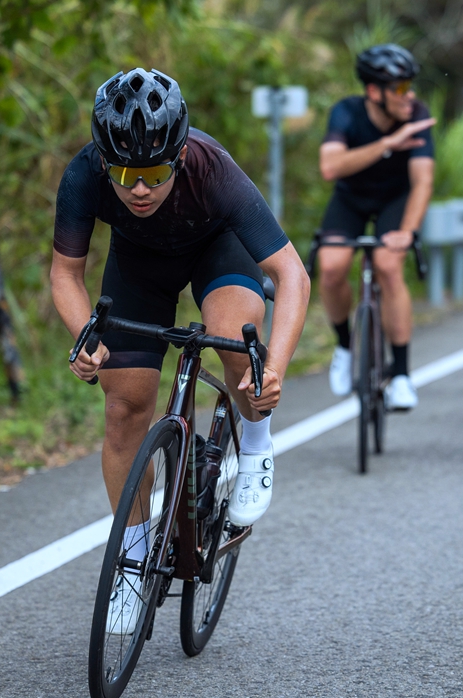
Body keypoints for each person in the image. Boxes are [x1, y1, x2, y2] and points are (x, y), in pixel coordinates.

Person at [51, 69, 311, 631]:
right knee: (124, 407)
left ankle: (258, 444)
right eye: (123, 174)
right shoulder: (83, 175)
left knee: (234, 342)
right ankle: (135, 557)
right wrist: (84, 335)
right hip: (139, 266)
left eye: (152, 173)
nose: (138, 189)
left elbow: (292, 275)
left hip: (218, 253)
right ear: (103, 161)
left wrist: (277, 369)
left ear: (179, 156)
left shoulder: (214, 172)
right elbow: (65, 274)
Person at [317, 44, 435, 410]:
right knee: (332, 267)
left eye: (410, 86)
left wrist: (408, 232)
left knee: (387, 265)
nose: (409, 96)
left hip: (395, 201)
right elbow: (330, 167)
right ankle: (344, 346)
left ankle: (400, 373)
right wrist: (387, 144)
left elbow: (422, 182)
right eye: (400, 88)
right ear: (374, 91)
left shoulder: (418, 115)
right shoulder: (347, 113)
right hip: (351, 197)